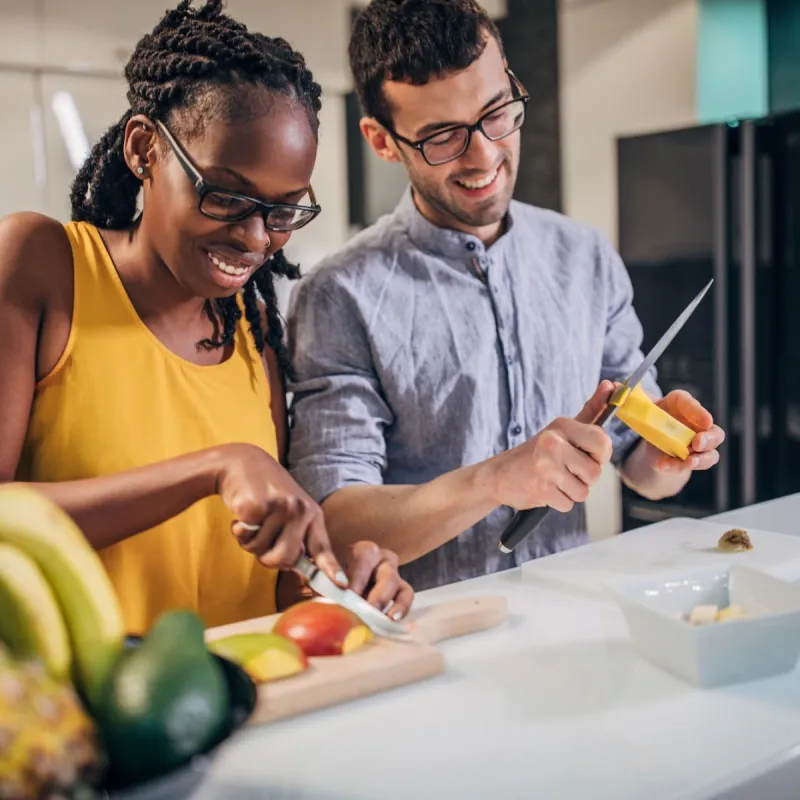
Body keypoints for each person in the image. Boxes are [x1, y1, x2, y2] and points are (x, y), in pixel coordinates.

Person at [0, 0, 413, 636]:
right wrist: (212, 467)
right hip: (84, 715)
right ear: (144, 149)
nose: (253, 238)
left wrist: (336, 580)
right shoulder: (42, 264)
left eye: (283, 211)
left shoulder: (252, 335)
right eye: (224, 194)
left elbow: (270, 585)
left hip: (243, 704)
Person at [286, 0, 725, 592]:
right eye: (443, 137)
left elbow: (642, 469)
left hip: (575, 617)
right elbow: (335, 527)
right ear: (382, 141)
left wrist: (668, 457)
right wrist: (496, 479)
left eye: (497, 113)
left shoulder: (586, 257)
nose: (485, 155)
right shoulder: (338, 295)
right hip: (428, 641)